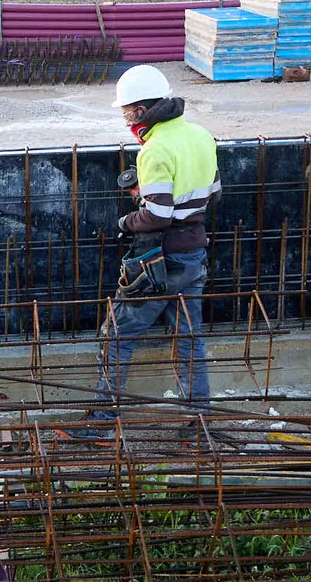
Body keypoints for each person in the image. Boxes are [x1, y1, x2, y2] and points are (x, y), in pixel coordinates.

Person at [59, 65, 221, 444]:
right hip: (194, 253)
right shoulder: (201, 135)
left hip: (159, 261)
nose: (125, 119)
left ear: (140, 111)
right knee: (189, 339)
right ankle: (199, 426)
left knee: (116, 335)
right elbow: (213, 193)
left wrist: (126, 221)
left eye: (126, 111)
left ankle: (101, 422)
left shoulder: (155, 150)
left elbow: (158, 216)